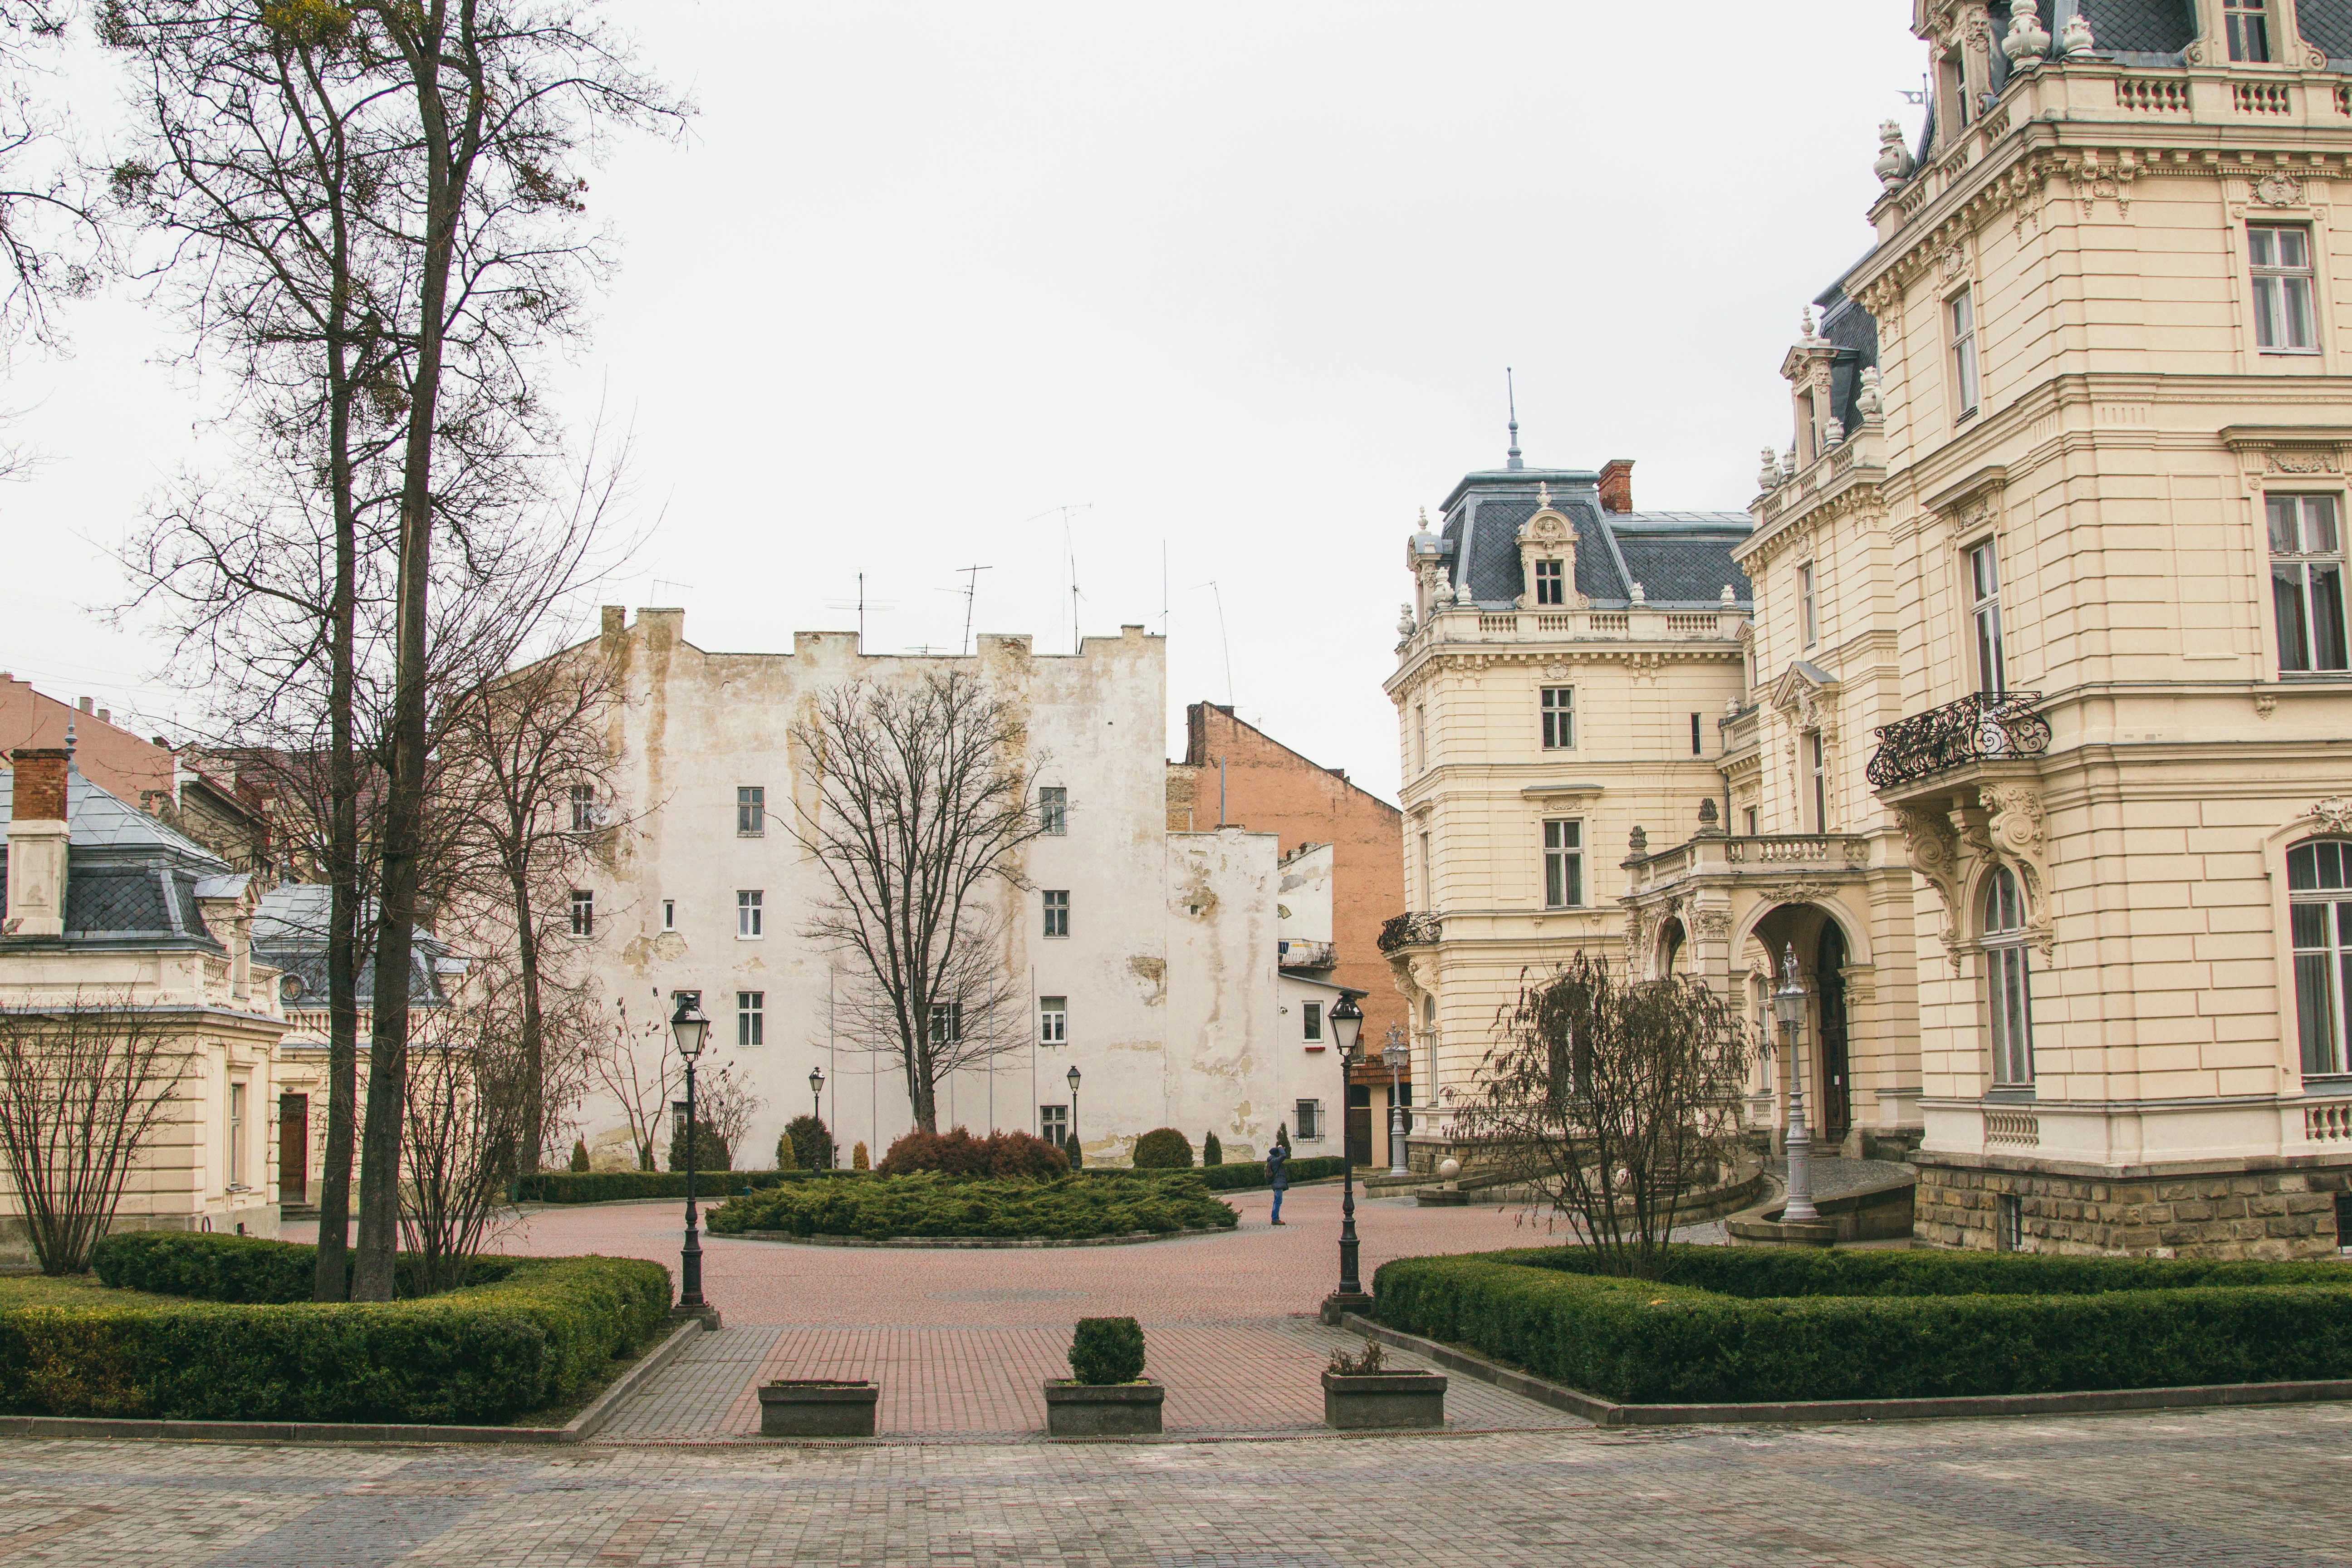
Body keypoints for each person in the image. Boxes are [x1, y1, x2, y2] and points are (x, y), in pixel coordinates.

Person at [1266, 1137, 1288, 1225]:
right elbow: (1284, 1156)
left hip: (1277, 1183)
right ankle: (1275, 1219)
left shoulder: (1273, 1160)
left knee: (1277, 1200)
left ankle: (1275, 1218)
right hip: (1278, 1184)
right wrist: (1280, 1148)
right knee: (1278, 1201)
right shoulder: (1275, 1161)